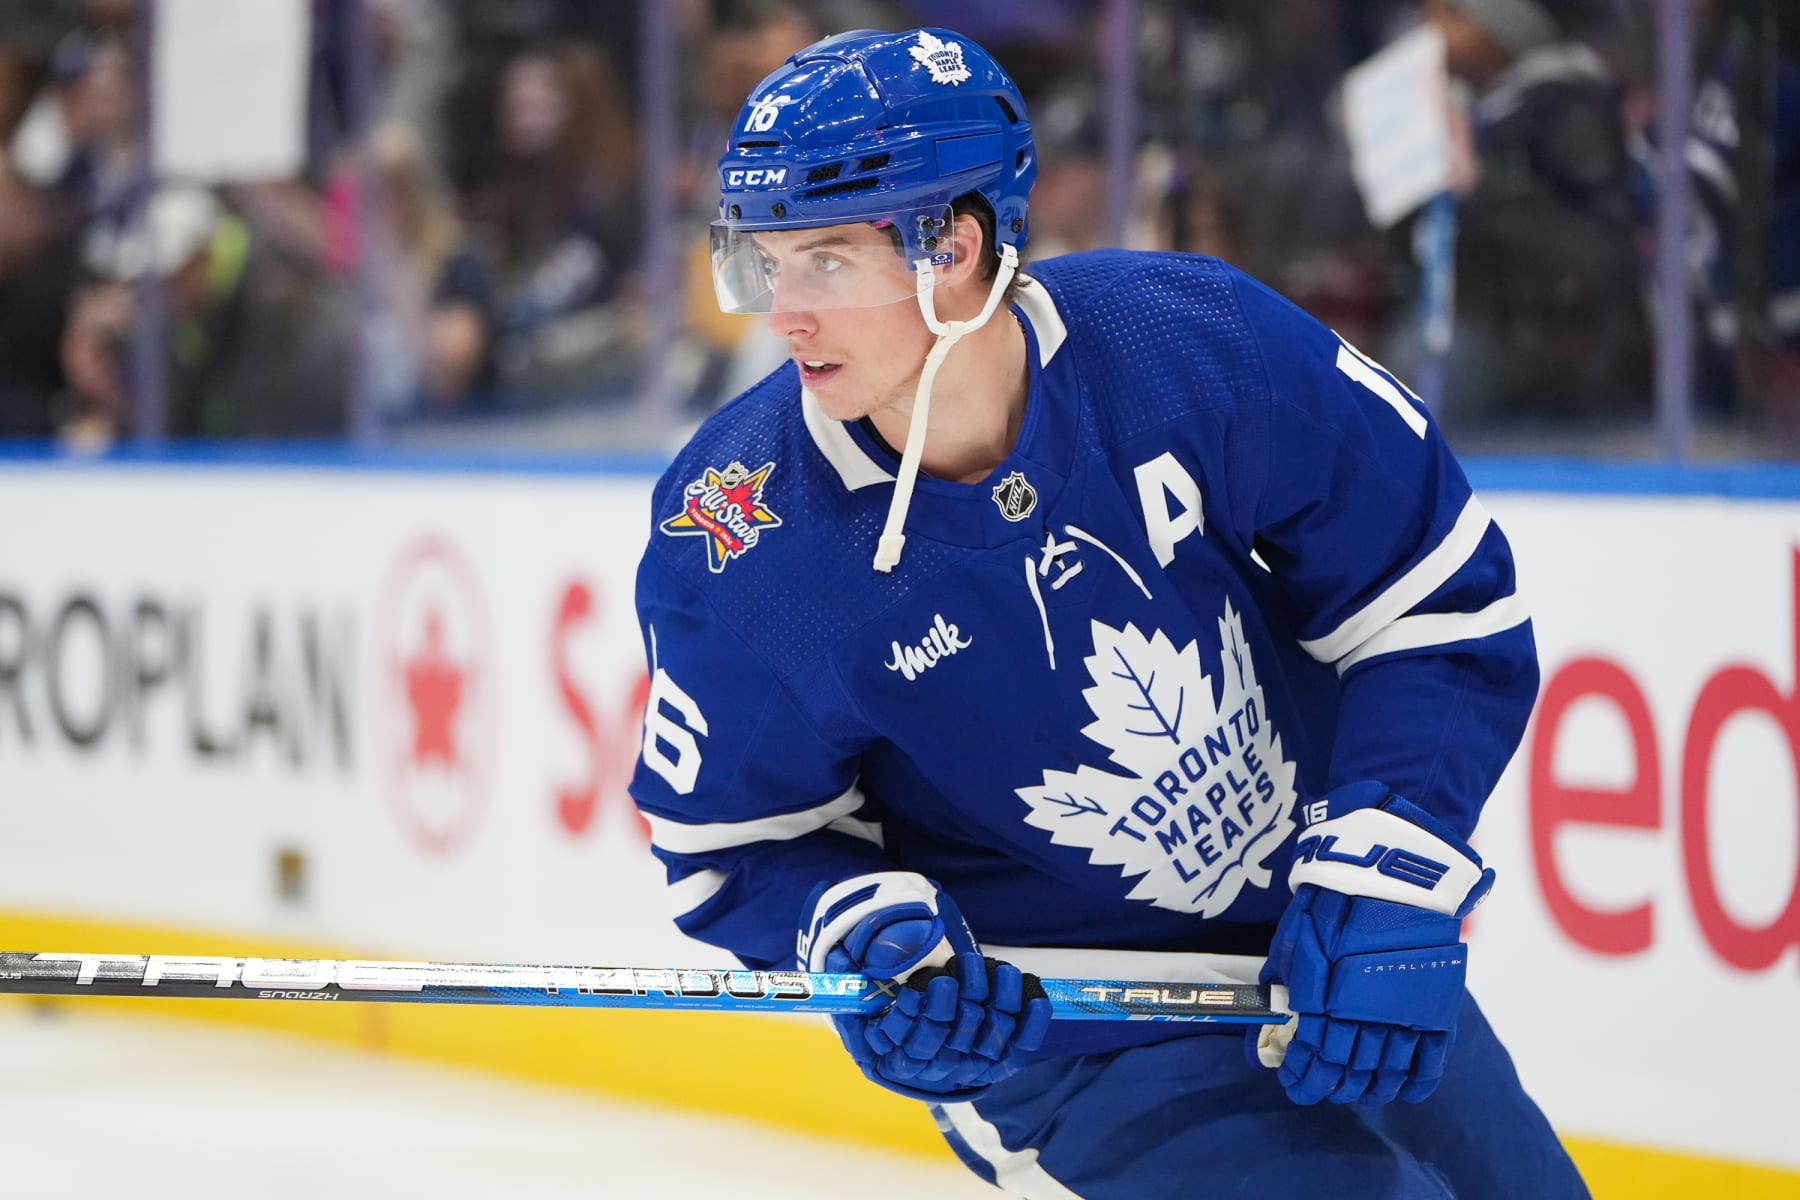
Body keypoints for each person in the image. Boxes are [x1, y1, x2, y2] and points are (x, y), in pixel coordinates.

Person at [628, 27, 1588, 1199]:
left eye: (827, 261)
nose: (784, 315)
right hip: (1068, 1045)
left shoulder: (1187, 342)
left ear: (957, 247)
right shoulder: (740, 533)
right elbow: (734, 842)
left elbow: (1428, 598)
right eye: (765, 264)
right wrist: (861, 934)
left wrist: (1389, 853)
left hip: (1324, 952)